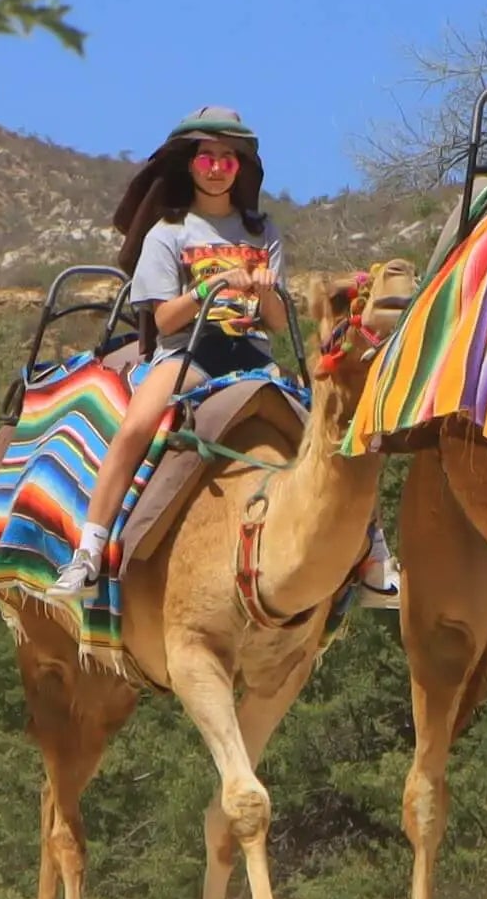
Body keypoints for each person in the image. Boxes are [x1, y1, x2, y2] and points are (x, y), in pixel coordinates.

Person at [48, 106, 398, 605]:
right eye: (207, 157)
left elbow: (277, 323)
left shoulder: (262, 232)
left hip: (255, 357)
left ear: (241, 169)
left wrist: (266, 290)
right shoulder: (168, 233)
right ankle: (88, 554)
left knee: (337, 432)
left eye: (228, 159)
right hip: (188, 356)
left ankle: (375, 558)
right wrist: (212, 285)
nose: (216, 168)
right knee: (133, 429)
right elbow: (164, 320)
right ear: (190, 165)